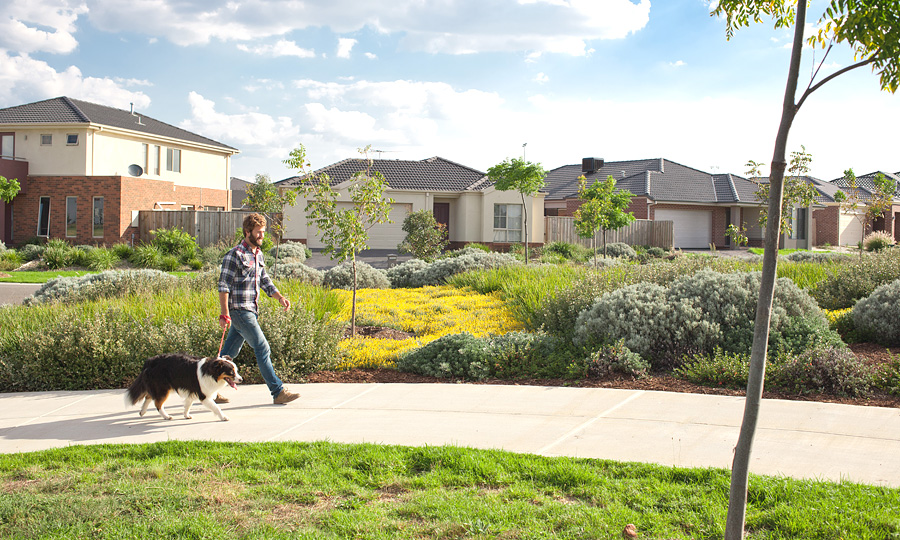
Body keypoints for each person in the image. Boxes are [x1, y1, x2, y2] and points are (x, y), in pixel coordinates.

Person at [217, 213, 300, 405]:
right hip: (240, 311)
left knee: (228, 353)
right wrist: (224, 313)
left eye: (263, 232)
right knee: (262, 347)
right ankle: (277, 391)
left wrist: (279, 297)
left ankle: (210, 389)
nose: (263, 236)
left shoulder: (258, 254)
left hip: (250, 310)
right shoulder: (234, 255)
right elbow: (223, 286)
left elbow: (264, 280)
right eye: (259, 232)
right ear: (248, 232)